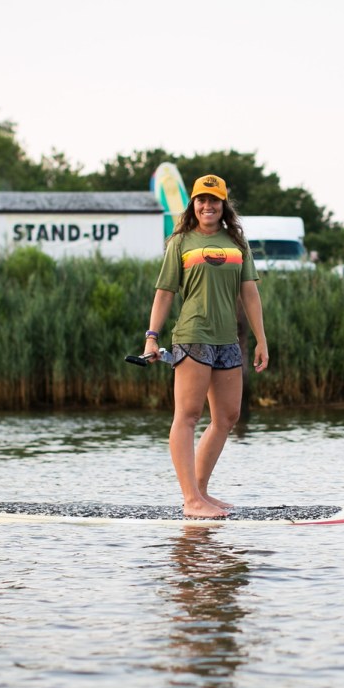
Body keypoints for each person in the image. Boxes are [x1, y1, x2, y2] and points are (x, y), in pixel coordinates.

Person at [143, 174, 269, 518]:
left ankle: (201, 492)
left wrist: (261, 339)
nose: (207, 206)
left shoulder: (237, 243)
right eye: (201, 200)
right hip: (192, 336)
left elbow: (250, 293)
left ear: (223, 205)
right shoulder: (180, 242)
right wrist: (152, 337)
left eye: (214, 200)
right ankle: (191, 499)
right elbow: (164, 293)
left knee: (228, 416)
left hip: (227, 339)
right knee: (187, 415)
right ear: (193, 205)